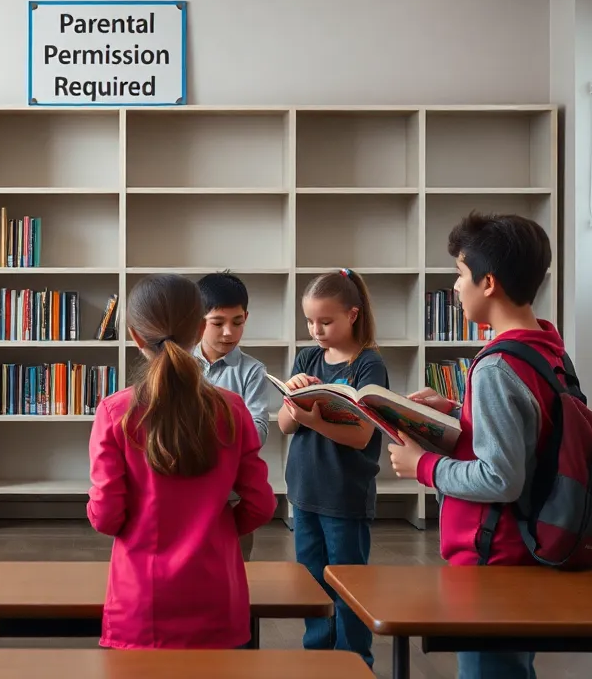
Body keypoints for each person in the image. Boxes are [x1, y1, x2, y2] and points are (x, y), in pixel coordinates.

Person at [389, 212, 561, 679]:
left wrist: (422, 465)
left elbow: (500, 477)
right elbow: (531, 434)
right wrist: (457, 410)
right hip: (526, 545)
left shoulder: (495, 367)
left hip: (494, 556)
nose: (455, 287)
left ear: (488, 283)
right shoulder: (545, 345)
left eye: (460, 274)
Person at [87, 273, 276, 650]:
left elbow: (106, 517)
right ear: (197, 328)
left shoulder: (115, 412)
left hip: (140, 600)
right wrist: (217, 531)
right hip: (217, 593)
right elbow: (260, 504)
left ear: (135, 336)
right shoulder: (232, 408)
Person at [277, 268, 385, 668]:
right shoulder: (307, 357)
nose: (316, 330)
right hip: (305, 490)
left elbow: (361, 437)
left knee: (349, 583)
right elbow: (285, 425)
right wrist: (296, 397)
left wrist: (315, 419)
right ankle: (318, 657)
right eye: (310, 321)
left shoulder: (368, 364)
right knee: (312, 581)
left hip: (345, 494)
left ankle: (354, 661)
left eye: (326, 321)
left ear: (353, 315)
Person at [195, 270, 273, 561]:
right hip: (184, 491)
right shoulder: (180, 363)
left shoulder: (252, 371)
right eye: (218, 323)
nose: (229, 332)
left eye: (237, 322)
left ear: (246, 318)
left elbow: (260, 429)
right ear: (197, 320)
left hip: (231, 492)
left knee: (235, 565)